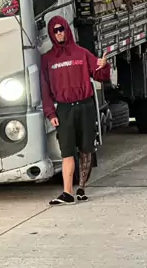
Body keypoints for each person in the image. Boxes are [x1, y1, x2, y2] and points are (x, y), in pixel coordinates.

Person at [40, 15, 111, 206]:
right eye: (55, 31)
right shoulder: (47, 59)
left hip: (85, 106)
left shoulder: (82, 53)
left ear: (67, 30)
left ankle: (81, 188)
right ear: (51, 34)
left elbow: (100, 75)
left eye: (61, 29)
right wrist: (50, 113)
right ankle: (67, 192)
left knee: (86, 149)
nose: (59, 33)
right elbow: (44, 89)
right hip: (64, 110)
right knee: (67, 151)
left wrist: (104, 66)